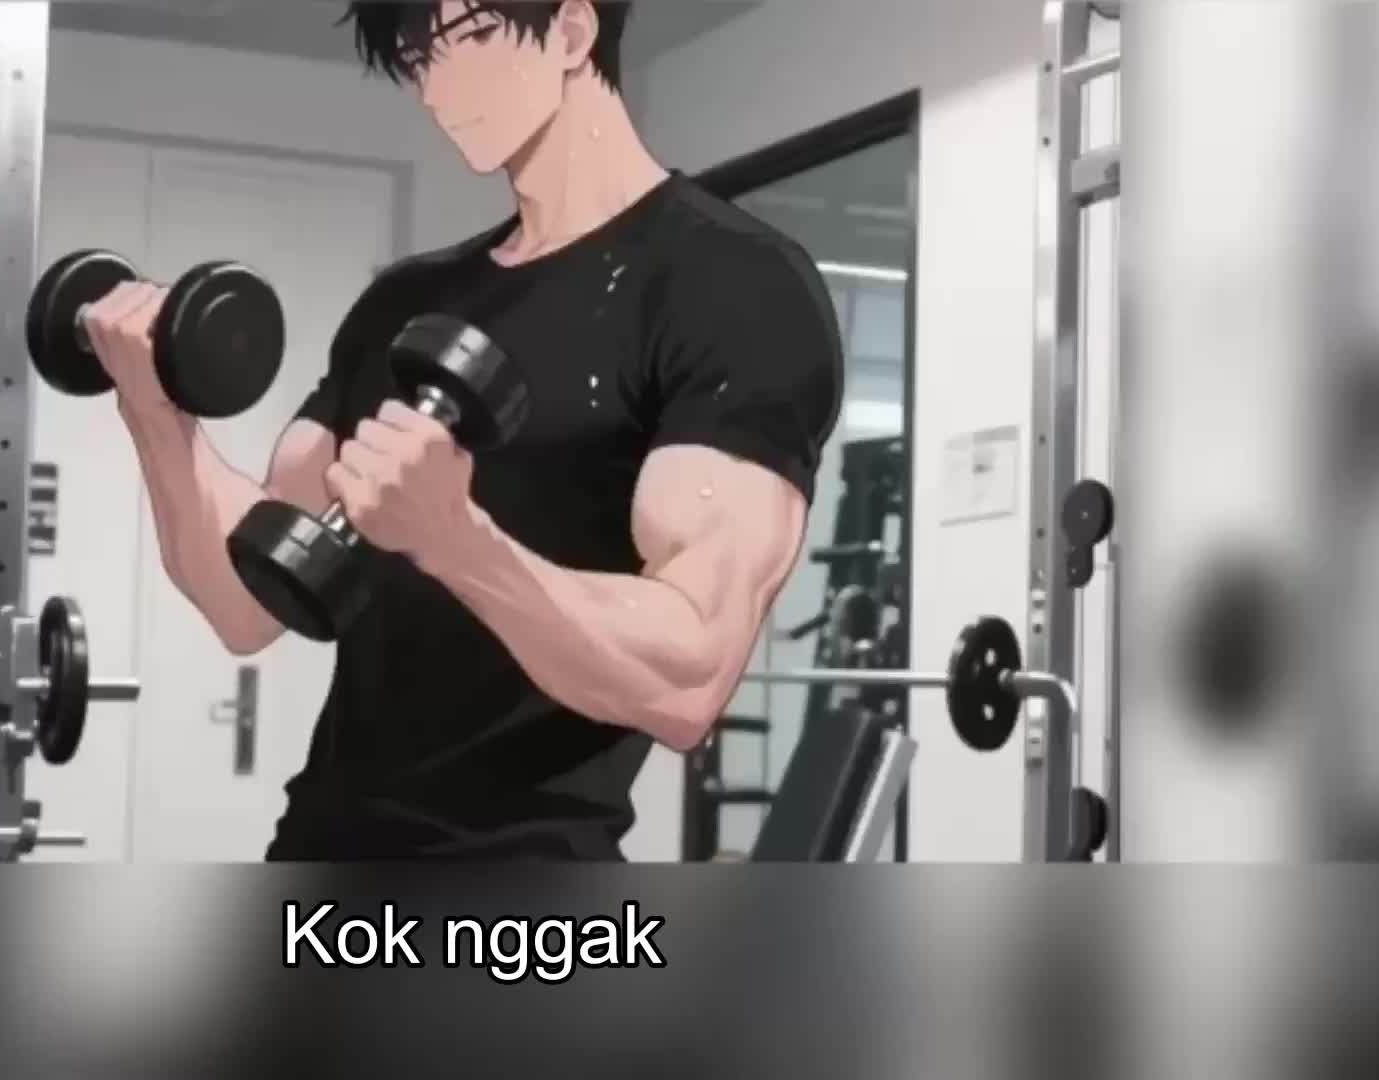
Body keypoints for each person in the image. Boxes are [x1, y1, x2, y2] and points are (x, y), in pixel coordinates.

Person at [80, 0, 843, 860]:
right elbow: (248, 603)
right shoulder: (406, 302)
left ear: (571, 30)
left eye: (471, 37)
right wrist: (156, 413)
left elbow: (690, 676)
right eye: (418, 59)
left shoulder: (732, 285)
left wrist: (457, 541)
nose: (438, 89)